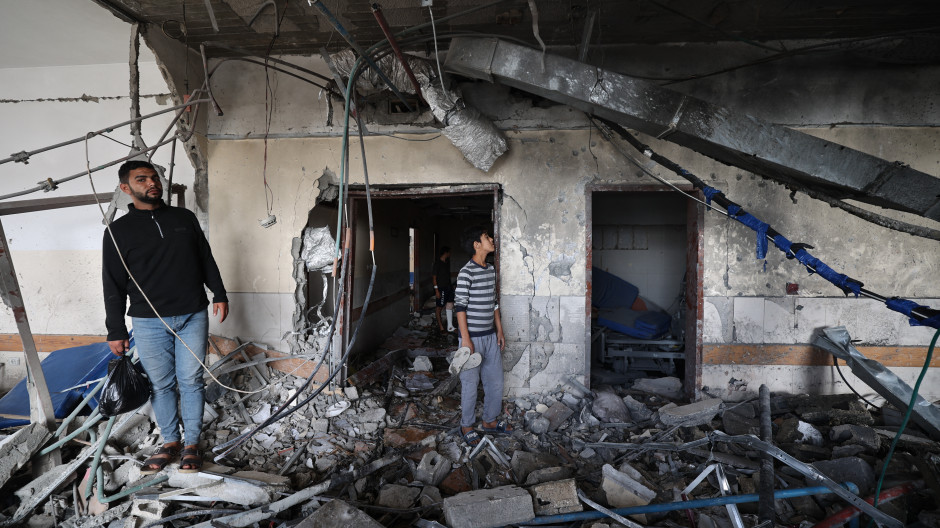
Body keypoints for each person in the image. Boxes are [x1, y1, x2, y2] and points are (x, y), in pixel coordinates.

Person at [102, 160, 229, 475]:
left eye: (153, 177)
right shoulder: (117, 232)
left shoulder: (183, 219)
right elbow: (112, 283)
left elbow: (205, 258)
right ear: (125, 188)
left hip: (193, 314)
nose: (151, 183)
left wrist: (220, 293)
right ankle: (171, 442)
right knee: (162, 385)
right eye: (141, 179)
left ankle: (192, 444)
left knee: (191, 381)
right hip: (148, 320)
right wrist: (115, 329)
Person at [454, 226, 511, 446]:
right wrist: (466, 339)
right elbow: (460, 307)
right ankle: (466, 425)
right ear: (477, 245)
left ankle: (489, 421)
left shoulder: (490, 270)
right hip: (471, 338)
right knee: (470, 384)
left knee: (495, 381)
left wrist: (500, 330)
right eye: (486, 238)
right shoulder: (465, 272)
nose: (491, 240)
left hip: (490, 337)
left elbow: (494, 302)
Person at [433, 246, 455, 333]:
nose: (450, 254)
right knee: (439, 308)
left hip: (448, 287)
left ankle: (450, 326)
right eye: (449, 252)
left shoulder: (447, 262)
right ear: (445, 252)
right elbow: (434, 278)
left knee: (450, 304)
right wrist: (437, 291)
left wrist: (451, 285)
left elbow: (447, 275)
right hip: (440, 288)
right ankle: (441, 327)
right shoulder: (437, 263)